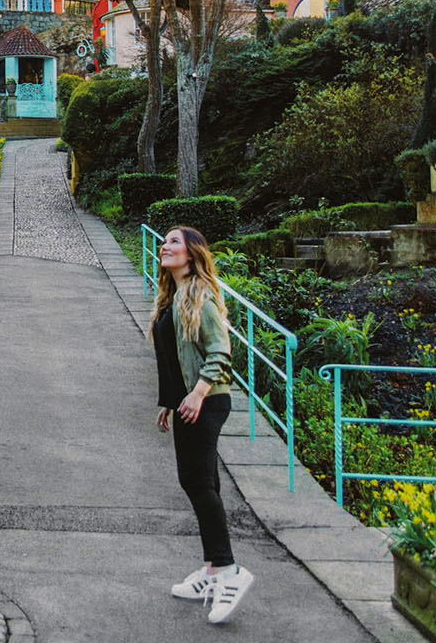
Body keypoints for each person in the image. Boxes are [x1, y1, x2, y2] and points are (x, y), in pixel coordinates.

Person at [150, 225, 253, 624]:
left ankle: (228, 570)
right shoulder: (172, 298)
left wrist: (195, 394)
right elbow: (171, 359)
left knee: (195, 480)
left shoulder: (201, 296)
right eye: (164, 241)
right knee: (203, 482)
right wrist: (169, 402)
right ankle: (213, 570)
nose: (164, 245)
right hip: (189, 403)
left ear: (192, 254)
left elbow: (220, 352)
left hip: (207, 402)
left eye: (174, 241)